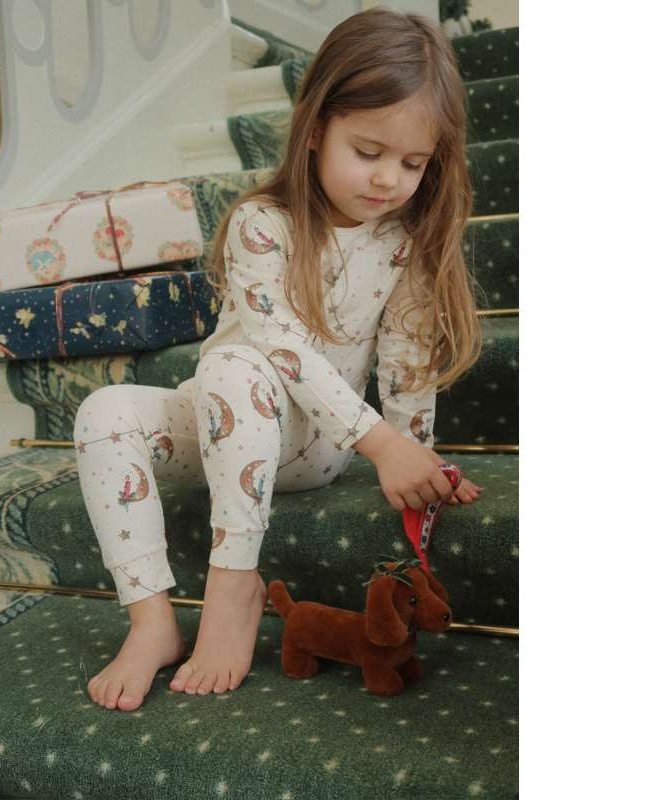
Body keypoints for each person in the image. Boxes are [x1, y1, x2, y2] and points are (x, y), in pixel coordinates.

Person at [73, 7, 484, 712]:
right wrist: (382, 444)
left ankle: (233, 585)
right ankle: (152, 622)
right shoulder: (261, 223)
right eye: (369, 152)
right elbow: (280, 345)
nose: (389, 179)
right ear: (316, 127)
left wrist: (413, 454)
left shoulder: (405, 242)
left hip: (313, 445)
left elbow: (406, 359)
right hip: (223, 422)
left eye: (412, 163)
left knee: (231, 367)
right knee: (105, 410)